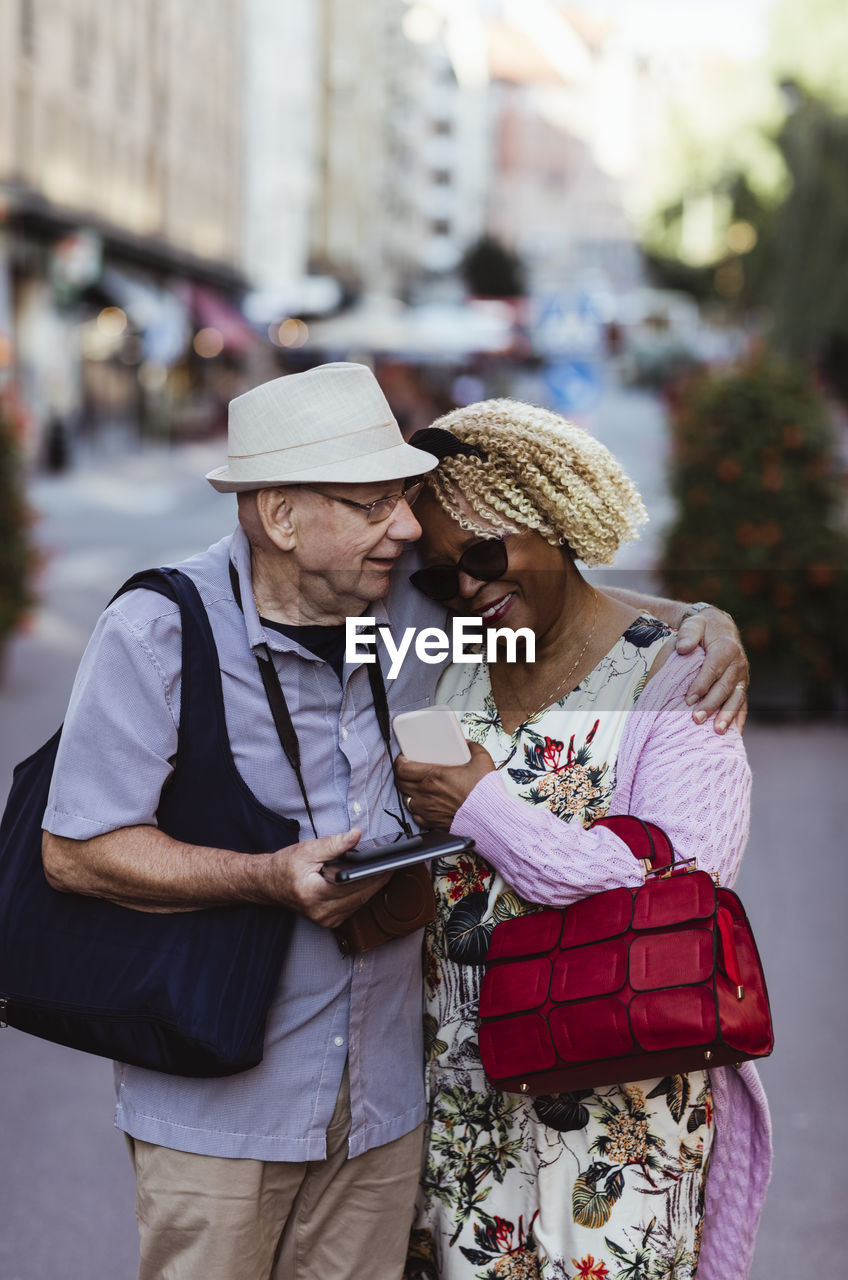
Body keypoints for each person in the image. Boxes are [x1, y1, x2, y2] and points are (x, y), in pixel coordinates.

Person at [40, 364, 747, 1280]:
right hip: (226, 1109)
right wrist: (263, 879)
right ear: (283, 518)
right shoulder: (160, 632)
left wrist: (706, 622)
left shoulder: (417, 609)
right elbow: (74, 852)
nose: (408, 531)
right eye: (374, 503)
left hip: (393, 1116)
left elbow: (581, 610)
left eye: (404, 502)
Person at [395, 401, 770, 1280]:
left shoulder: (678, 679)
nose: (467, 590)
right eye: (440, 576)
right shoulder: (442, 658)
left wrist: (479, 803)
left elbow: (676, 889)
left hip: (621, 1116)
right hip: (462, 1110)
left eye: (485, 556)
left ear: (554, 523)